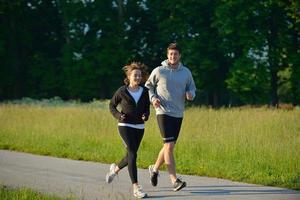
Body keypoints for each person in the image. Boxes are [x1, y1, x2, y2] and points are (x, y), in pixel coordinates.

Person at [145, 43, 196, 191]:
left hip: (178, 113)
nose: (173, 57)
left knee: (169, 146)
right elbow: (148, 86)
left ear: (179, 56)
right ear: (167, 55)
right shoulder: (159, 70)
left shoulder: (186, 72)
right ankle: (174, 180)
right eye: (170, 54)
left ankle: (154, 169)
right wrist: (153, 98)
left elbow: (192, 87)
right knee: (169, 145)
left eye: (175, 54)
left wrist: (191, 94)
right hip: (162, 111)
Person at [106, 62, 150, 199]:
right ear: (129, 76)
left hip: (139, 127)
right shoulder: (122, 91)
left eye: (139, 75)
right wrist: (119, 115)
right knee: (132, 154)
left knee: (131, 155)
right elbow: (112, 106)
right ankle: (136, 187)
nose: (137, 77)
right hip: (125, 125)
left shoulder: (145, 92)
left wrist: (146, 115)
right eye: (134, 75)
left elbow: (147, 108)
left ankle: (115, 170)